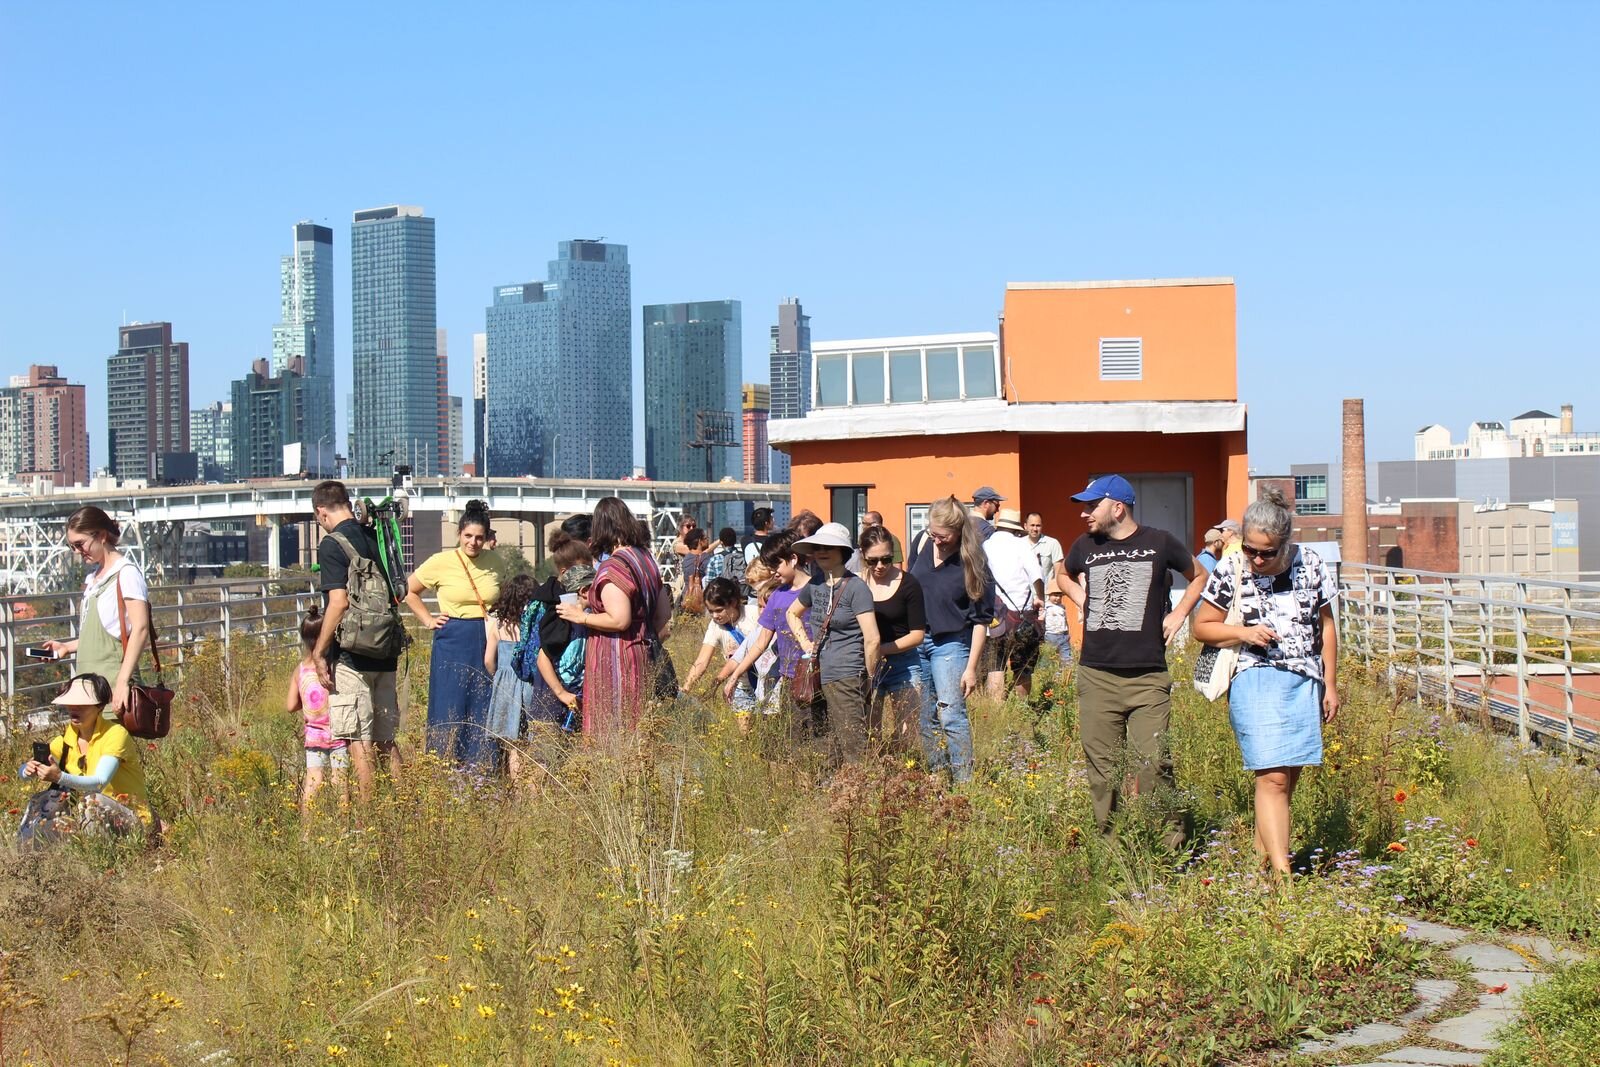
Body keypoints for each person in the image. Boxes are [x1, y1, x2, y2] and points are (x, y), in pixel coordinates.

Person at [1192, 486, 1340, 876]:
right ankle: (1282, 874)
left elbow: (1327, 626)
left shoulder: (1311, 563)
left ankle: (1261, 870)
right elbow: (1201, 628)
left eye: (1267, 552)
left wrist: (1332, 683)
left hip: (1304, 678)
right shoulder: (1232, 566)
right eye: (1251, 549)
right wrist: (1243, 632)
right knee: (1271, 776)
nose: (1256, 558)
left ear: (1285, 543)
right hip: (1254, 676)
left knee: (1287, 779)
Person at [1062, 474, 1206, 840]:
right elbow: (1062, 575)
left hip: (1148, 678)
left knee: (1155, 765)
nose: (1084, 514)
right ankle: (1109, 850)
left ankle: (1169, 849)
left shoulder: (1160, 542)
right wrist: (1081, 598)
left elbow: (1199, 575)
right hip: (1097, 675)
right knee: (1103, 772)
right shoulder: (1085, 545)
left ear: (1118, 507)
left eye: (1092, 506)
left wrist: (1179, 614)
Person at [310, 480, 403, 803]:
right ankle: (404, 810)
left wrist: (320, 652)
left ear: (321, 513)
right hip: (386, 650)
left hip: (351, 655)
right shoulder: (376, 534)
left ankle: (369, 819)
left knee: (357, 740)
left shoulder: (332, 544)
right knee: (385, 739)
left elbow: (338, 602)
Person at [556, 496, 671, 735]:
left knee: (612, 726)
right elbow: (663, 615)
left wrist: (582, 617)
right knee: (637, 727)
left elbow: (619, 619)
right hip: (642, 653)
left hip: (616, 658)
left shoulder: (614, 566)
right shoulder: (646, 559)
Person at [404, 500, 501, 768]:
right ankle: (445, 762)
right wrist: (428, 620)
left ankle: (483, 764)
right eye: (468, 536)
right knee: (450, 698)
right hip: (453, 635)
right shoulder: (441, 562)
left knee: (484, 698)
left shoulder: (496, 562)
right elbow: (408, 591)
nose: (473, 542)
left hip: (488, 634)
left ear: (487, 538)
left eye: (479, 538)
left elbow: (503, 596)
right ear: (459, 534)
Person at [905, 496, 993, 782]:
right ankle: (938, 776)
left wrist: (971, 667)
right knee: (924, 716)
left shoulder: (974, 560)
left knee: (951, 715)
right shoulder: (921, 542)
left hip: (951, 644)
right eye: (933, 534)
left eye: (943, 536)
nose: (937, 541)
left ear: (958, 532)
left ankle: (964, 781)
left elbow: (981, 620)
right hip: (918, 641)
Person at [40, 506, 151, 721]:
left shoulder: (126, 574)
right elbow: (101, 637)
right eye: (72, 546)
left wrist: (122, 683)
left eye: (80, 544)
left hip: (112, 690)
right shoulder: (93, 578)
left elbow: (141, 628)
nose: (77, 551)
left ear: (101, 535)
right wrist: (66, 647)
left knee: (112, 752)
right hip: (88, 692)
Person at [787, 523, 880, 763]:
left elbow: (872, 638)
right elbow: (791, 613)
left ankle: (859, 793)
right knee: (823, 740)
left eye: (828, 547)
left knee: (853, 743)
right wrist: (806, 644)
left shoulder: (857, 588)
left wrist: (869, 678)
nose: (821, 551)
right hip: (816, 674)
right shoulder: (815, 583)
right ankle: (832, 793)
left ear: (843, 552)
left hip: (846, 673)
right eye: (817, 547)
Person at [21, 674, 152, 843]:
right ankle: (30, 858)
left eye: (83, 705)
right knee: (41, 805)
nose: (74, 709)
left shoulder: (115, 734)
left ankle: (103, 863)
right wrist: (28, 770)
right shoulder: (66, 740)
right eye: (71, 703)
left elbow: (99, 782)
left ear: (99, 706)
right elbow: (22, 771)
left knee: (92, 802)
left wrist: (59, 777)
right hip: (93, 818)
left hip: (133, 817)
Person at [723, 531, 811, 728]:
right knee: (794, 736)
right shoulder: (777, 596)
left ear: (793, 559)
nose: (773, 572)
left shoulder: (816, 589)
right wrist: (735, 675)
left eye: (776, 565)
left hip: (817, 675)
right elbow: (759, 642)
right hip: (789, 678)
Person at [860, 525, 926, 750]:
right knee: (870, 733)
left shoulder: (909, 584)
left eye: (886, 559)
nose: (880, 566)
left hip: (903, 663)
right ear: (863, 556)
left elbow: (918, 634)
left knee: (908, 733)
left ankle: (899, 772)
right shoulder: (857, 585)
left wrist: (883, 648)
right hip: (868, 665)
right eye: (873, 560)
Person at [287, 606, 345, 817]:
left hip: (313, 736)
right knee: (340, 780)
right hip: (338, 733)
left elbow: (290, 705)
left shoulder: (300, 670)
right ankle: (343, 824)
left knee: (314, 779)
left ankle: (307, 829)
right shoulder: (336, 668)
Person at [984, 509, 1046, 698]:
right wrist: (1040, 599)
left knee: (995, 666)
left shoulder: (985, 545)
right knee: (1023, 666)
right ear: (1016, 528)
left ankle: (996, 714)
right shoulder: (1022, 545)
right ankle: (1022, 710)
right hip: (1022, 615)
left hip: (994, 615)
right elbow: (1037, 576)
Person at [682, 577, 761, 721]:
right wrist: (687, 687)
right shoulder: (715, 627)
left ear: (733, 602)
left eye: (719, 610)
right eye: (710, 611)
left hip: (765, 681)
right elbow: (702, 660)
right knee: (745, 733)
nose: (715, 616)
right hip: (741, 686)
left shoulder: (754, 614)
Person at [1025, 512, 1066, 586]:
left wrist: (1055, 591)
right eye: (1032, 525)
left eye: (1038, 526)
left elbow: (1058, 571)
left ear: (1042, 526)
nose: (1035, 529)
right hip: (1024, 595)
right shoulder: (1019, 544)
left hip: (1045, 594)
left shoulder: (1052, 543)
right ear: (1025, 526)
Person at [1043, 576, 1073, 664]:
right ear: (1049, 595)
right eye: (1055, 595)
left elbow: (1065, 620)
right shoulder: (1047, 607)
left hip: (1063, 635)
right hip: (1051, 635)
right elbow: (1042, 621)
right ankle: (1048, 672)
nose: (1058, 598)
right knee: (1049, 656)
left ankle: (1064, 674)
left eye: (1060, 596)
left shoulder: (1062, 607)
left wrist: (1067, 632)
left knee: (1066, 656)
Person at [678, 527, 709, 614]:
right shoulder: (705, 558)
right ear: (699, 541)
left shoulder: (686, 558)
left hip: (687, 597)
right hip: (701, 598)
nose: (708, 540)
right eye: (706, 538)